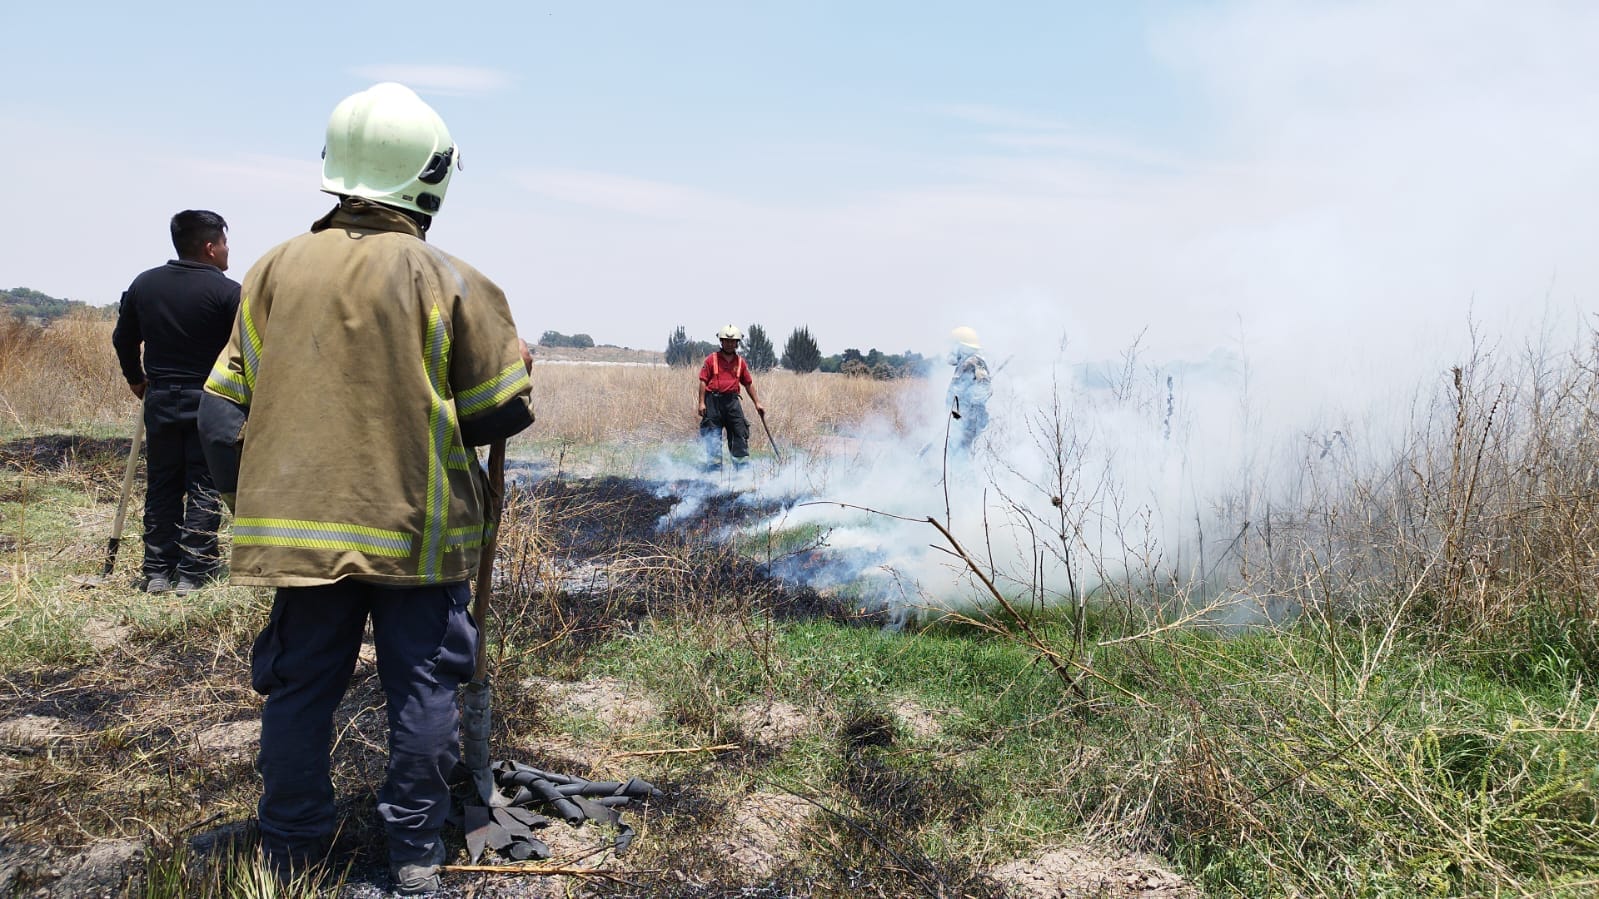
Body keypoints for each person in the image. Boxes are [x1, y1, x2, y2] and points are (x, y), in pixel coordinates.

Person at [197, 82, 534, 895]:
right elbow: (501, 413)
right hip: (416, 537)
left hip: (298, 535)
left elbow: (217, 411)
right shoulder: (450, 277)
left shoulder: (273, 268)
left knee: (301, 683)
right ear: (427, 174)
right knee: (421, 688)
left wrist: (253, 502)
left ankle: (290, 841)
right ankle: (415, 856)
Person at [111, 210, 241, 595]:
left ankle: (157, 571)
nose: (226, 249)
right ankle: (193, 573)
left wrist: (136, 378)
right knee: (204, 482)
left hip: (161, 396)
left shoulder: (144, 284)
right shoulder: (229, 292)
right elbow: (247, 351)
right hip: (211, 399)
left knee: (163, 483)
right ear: (209, 246)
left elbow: (123, 338)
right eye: (223, 242)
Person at [697, 324, 765, 470]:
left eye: (732, 341)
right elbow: (703, 381)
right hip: (713, 402)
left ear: (737, 343)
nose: (729, 344)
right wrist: (701, 402)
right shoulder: (711, 359)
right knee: (713, 437)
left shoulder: (740, 362)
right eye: (726, 341)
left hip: (732, 403)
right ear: (721, 342)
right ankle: (715, 474)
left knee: (739, 433)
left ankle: (741, 473)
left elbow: (748, 384)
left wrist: (757, 403)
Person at [946, 326, 991, 457]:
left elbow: (984, 388)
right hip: (960, 422)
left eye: (953, 345)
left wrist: (964, 415)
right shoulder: (965, 363)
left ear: (961, 346)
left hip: (968, 424)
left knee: (962, 458)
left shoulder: (974, 362)